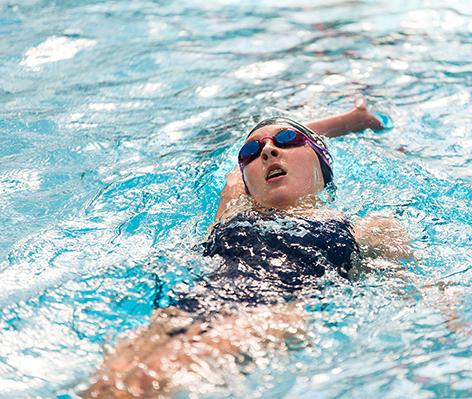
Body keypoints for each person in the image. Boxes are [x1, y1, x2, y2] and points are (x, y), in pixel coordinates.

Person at [84, 97, 412, 398]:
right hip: (189, 307)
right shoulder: (233, 210)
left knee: (149, 378)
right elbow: (253, 162)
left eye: (287, 141)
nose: (267, 151)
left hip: (275, 310)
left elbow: (415, 284)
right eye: (251, 152)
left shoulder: (364, 226)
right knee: (107, 382)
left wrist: (348, 122)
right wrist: (333, 125)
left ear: (322, 165)